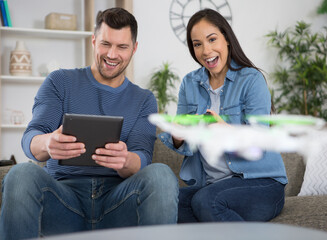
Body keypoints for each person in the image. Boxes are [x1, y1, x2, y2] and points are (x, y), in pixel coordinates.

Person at [0, 7, 178, 239]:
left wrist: (125, 160)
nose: (112, 54)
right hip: (63, 201)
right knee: (20, 173)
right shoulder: (60, 81)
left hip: (117, 204)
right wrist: (47, 143)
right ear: (94, 41)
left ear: (134, 48)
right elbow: (31, 137)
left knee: (162, 175)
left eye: (122, 47)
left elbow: (142, 156)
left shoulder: (144, 99)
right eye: (106, 44)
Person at [159, 8, 288, 223]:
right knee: (166, 201)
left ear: (226, 39)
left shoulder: (251, 79)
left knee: (206, 201)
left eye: (212, 40)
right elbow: (183, 142)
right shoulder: (189, 83)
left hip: (262, 182)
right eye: (197, 44)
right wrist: (178, 135)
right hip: (214, 185)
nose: (206, 50)